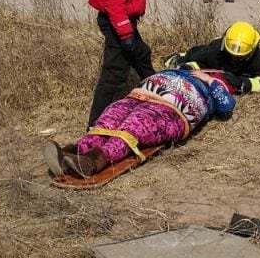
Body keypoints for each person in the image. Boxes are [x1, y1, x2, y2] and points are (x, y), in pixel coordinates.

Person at [44, 69, 236, 178]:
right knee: (110, 117)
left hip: (172, 110)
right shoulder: (185, 66)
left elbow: (226, 106)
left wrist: (210, 80)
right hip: (141, 95)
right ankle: (73, 153)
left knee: (136, 125)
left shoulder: (218, 83)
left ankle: (94, 161)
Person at [163, 21, 260, 94]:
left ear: (251, 51)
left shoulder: (257, 58)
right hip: (202, 51)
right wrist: (189, 67)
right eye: (231, 55)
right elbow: (200, 62)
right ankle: (177, 57)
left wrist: (242, 83)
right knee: (189, 57)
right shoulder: (216, 50)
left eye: (240, 57)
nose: (234, 59)